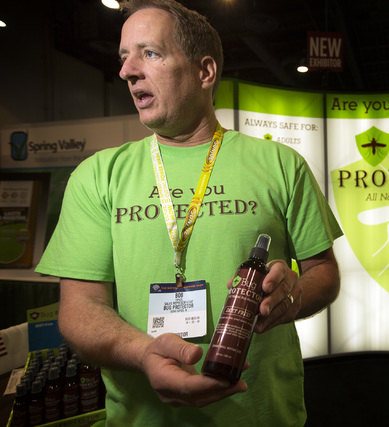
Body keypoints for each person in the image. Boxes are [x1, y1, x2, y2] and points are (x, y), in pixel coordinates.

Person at [34, 0, 342, 425]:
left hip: (262, 413)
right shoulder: (97, 176)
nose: (127, 71)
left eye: (150, 53)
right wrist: (144, 354)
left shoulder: (280, 164)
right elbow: (79, 308)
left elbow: (323, 271)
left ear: (205, 72)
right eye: (124, 57)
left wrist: (294, 295)